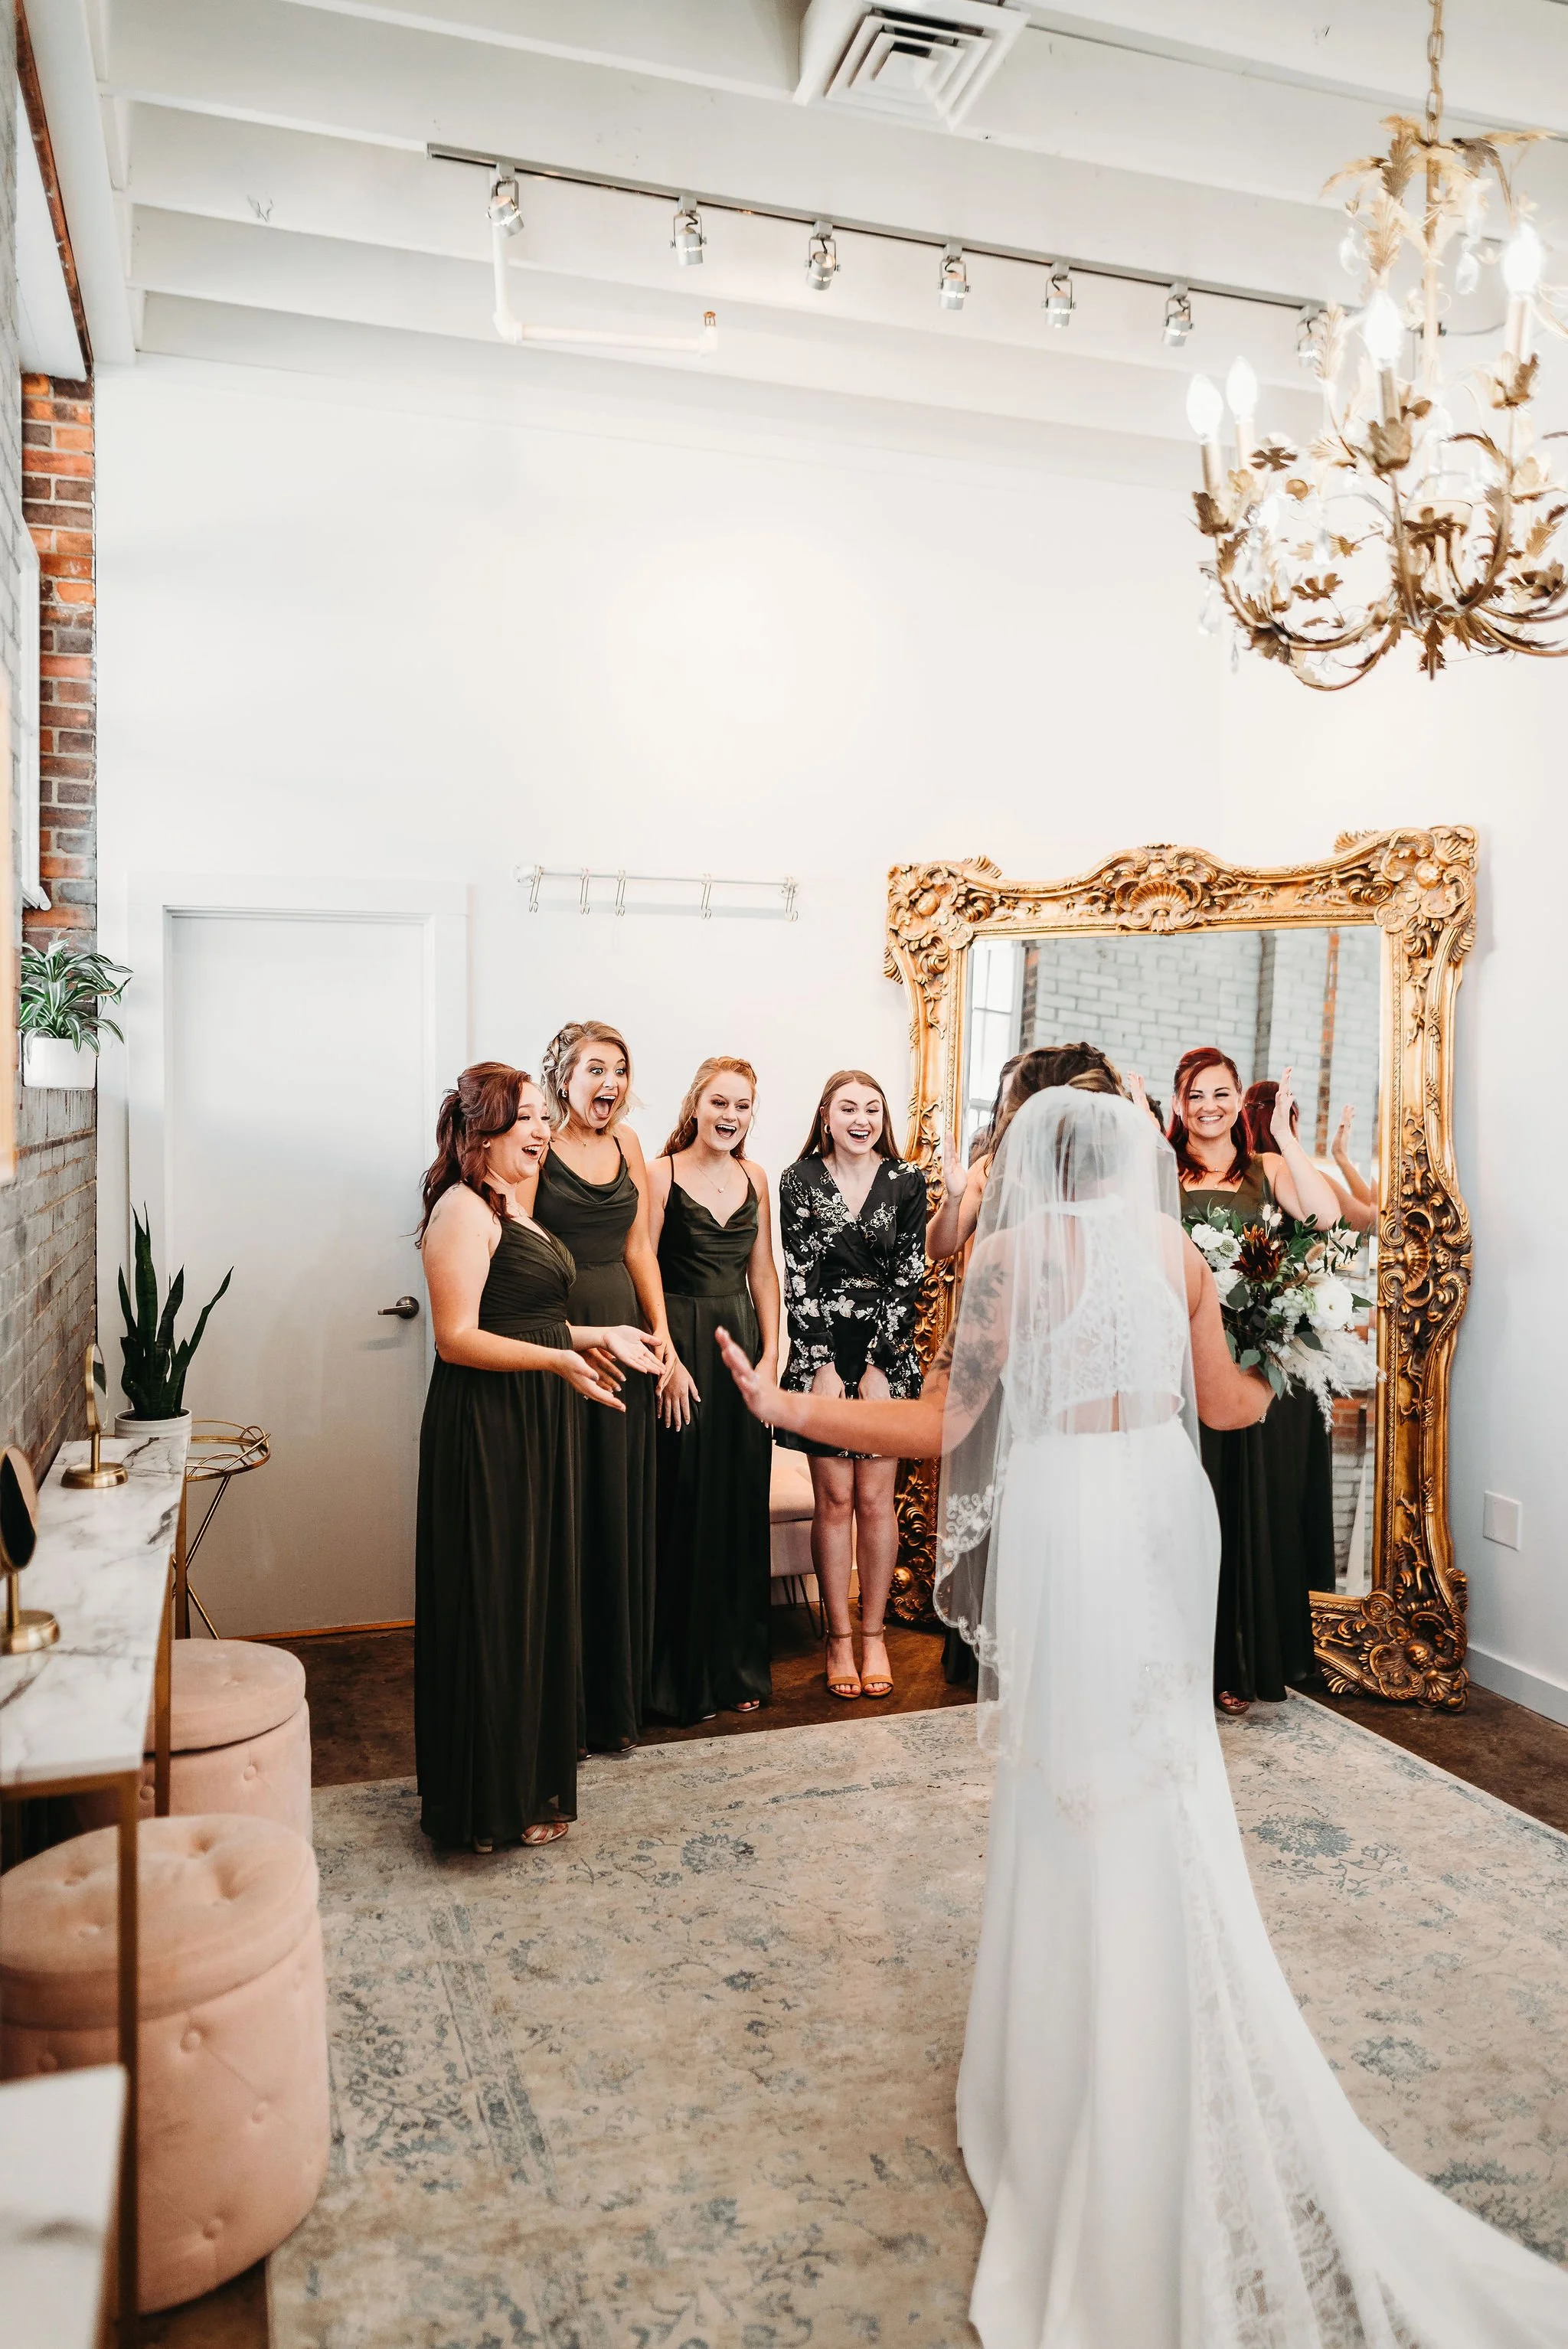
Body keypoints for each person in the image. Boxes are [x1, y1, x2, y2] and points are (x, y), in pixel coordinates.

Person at [716, 1082, 1568, 2349]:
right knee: (1159, 1762)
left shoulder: (1006, 1257)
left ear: (1027, 1163)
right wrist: (1291, 1339)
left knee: (1068, 1775)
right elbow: (1224, 1402)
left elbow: (943, 1426)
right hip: (1164, 1503)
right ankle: (1154, 1994)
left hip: (1068, 1509)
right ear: (1122, 1159)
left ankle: (1073, 2057)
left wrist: (783, 1406)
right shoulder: (1172, 1248)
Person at [414, 1063, 662, 1852]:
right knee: (491, 1600)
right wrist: (559, 1363)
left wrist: (597, 1337)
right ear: (481, 1129)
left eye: (540, 1117)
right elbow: (455, 1339)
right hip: (486, 1428)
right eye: (524, 1117)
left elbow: (527, 1315)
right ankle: (481, 1801)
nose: (540, 1128)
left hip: (531, 1422)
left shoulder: (508, 1204)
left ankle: (517, 1784)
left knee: (528, 1600)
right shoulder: (459, 1209)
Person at [1171, 1047, 1340, 1713]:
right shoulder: (1164, 1175)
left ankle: (1237, 1663)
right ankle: (1187, 1666)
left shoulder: (1266, 1170)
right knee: (1189, 1512)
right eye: (1195, 1096)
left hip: (1249, 1368)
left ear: (1238, 1101)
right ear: (1180, 1106)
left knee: (1246, 1513)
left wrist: (1287, 1139)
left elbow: (1324, 1214)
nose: (1208, 1107)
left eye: (1220, 1094)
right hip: (1182, 1368)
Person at [535, 1021, 671, 1755]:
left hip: (624, 1323)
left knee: (617, 1502)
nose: (610, 1082)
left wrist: (662, 1332)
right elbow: (516, 1249)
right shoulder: (535, 1149)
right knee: (570, 1503)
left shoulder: (628, 1146)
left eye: (619, 1069)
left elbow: (637, 1245)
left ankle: (616, 1697)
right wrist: (557, 1339)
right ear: (563, 1077)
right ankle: (567, 1698)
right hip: (564, 1333)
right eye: (595, 1069)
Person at [776, 1069, 927, 1702]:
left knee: (875, 1500)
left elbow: (910, 1276)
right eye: (848, 1108)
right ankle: (837, 1637)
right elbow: (798, 1278)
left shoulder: (907, 1180)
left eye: (872, 1108)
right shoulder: (799, 1180)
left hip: (885, 1359)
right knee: (834, 1501)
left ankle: (873, 1636)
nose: (860, 1119)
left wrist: (874, 1366)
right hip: (821, 1354)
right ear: (826, 1116)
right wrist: (824, 1367)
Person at [646, 1057, 780, 1725]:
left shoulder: (756, 1177)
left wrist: (773, 1357)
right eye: (720, 1103)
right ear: (695, 1105)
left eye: (744, 1106)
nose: (731, 1116)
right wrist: (667, 1357)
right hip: (684, 1347)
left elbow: (765, 1274)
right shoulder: (661, 1174)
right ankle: (680, 1677)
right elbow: (638, 1265)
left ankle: (736, 1667)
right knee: (685, 1502)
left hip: (743, 1353)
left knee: (737, 1503)